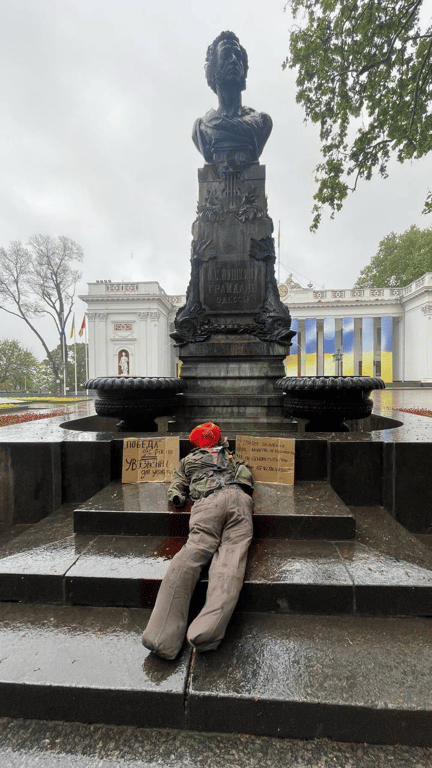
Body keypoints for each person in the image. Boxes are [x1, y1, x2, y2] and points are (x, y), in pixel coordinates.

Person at [142, 421, 254, 660]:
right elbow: (246, 473)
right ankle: (207, 630)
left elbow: (177, 483)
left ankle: (162, 635)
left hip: (208, 502)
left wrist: (177, 496)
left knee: (193, 552)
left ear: (196, 443)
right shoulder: (232, 456)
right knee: (231, 558)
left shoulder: (187, 461)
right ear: (218, 439)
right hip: (238, 499)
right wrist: (242, 483)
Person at [192, 31, 272, 175]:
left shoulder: (262, 123)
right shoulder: (202, 129)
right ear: (213, 71)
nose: (234, 60)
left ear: (244, 70)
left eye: (238, 56)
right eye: (226, 55)